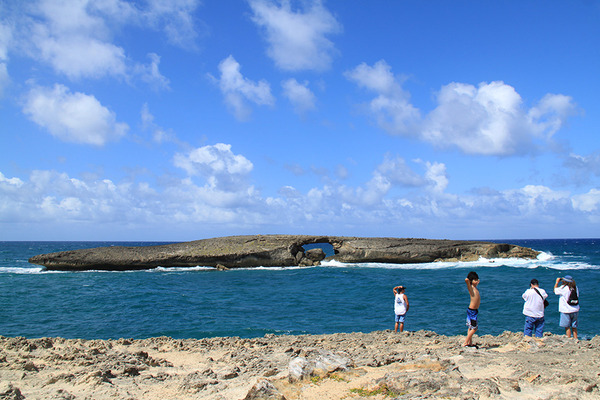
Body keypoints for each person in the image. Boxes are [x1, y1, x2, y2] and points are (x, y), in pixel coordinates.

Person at [554, 275, 580, 340]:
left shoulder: (563, 288)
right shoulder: (575, 287)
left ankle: (569, 339)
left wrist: (557, 282)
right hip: (575, 309)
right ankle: (576, 338)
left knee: (567, 326)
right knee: (574, 326)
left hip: (566, 310)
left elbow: (555, 291)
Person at [463, 271, 480, 347]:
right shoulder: (471, 288)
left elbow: (475, 283)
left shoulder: (475, 288)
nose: (476, 281)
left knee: (470, 327)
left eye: (477, 280)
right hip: (472, 311)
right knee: (474, 328)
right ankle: (465, 342)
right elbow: (467, 281)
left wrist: (475, 282)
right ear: (471, 281)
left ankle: (470, 342)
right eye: (475, 280)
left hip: (473, 311)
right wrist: (468, 281)